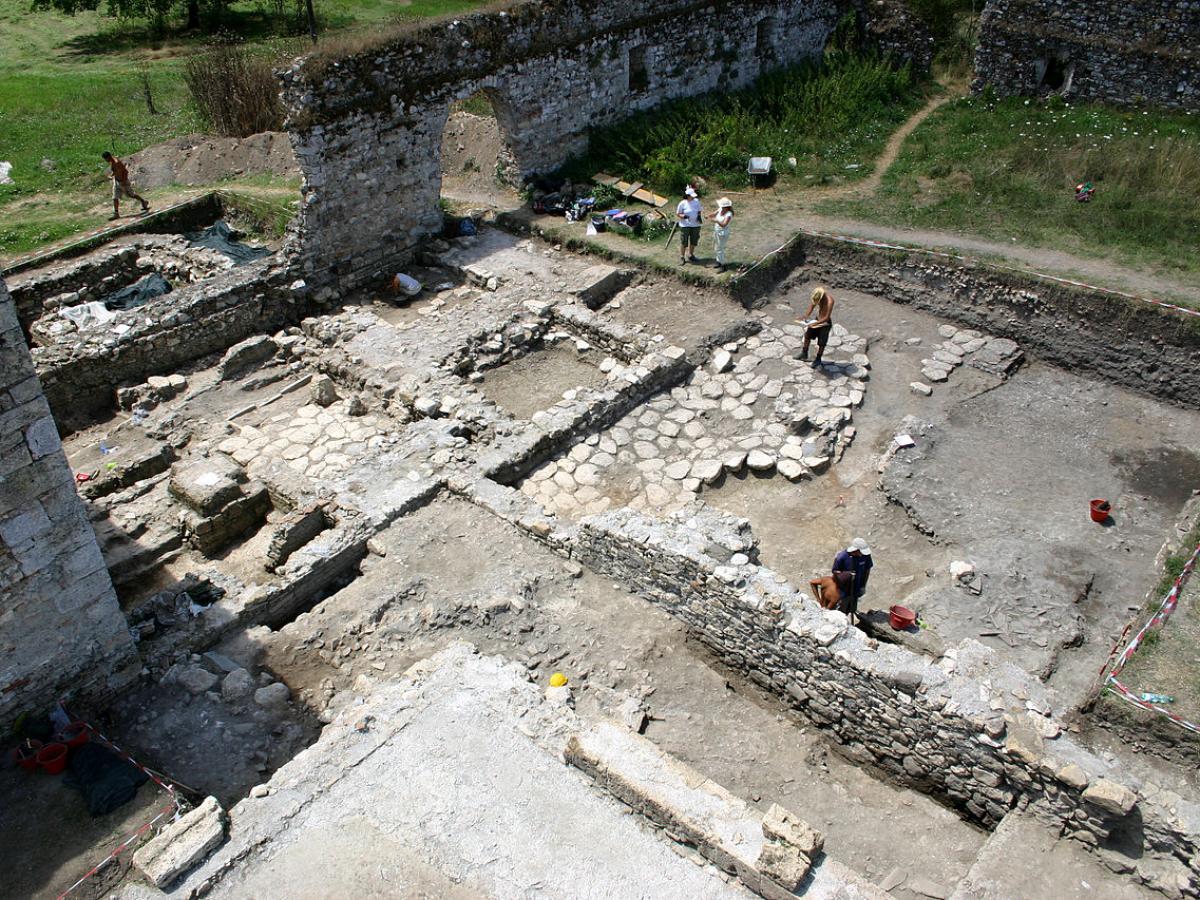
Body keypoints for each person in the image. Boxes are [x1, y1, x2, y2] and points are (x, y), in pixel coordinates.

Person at [831, 537, 873, 623]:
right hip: (844, 590)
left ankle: (851, 618)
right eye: (861, 552)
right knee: (842, 610)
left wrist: (863, 586)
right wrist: (847, 575)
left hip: (857, 587)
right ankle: (840, 622)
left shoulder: (866, 556)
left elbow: (867, 569)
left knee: (852, 608)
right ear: (855, 550)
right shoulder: (842, 557)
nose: (863, 554)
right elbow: (835, 572)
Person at [102, 151, 149, 220]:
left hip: (123, 181)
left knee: (131, 195)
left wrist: (124, 181)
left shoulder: (117, 162)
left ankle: (143, 201)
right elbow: (116, 171)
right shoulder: (112, 162)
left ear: (109, 157)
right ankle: (116, 213)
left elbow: (125, 172)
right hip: (117, 181)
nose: (106, 161)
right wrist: (112, 175)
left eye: (106, 159)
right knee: (115, 197)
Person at [798, 286, 835, 368]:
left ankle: (818, 358)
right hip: (817, 320)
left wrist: (816, 323)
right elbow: (811, 307)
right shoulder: (818, 297)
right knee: (807, 335)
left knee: (822, 343)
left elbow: (827, 317)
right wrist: (805, 316)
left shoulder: (830, 301)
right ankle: (804, 353)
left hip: (825, 323)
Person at [675, 186, 702, 264]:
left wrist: (699, 217)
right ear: (688, 196)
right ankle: (682, 257)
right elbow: (678, 213)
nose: (693, 197)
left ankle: (691, 255)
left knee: (694, 241)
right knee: (684, 242)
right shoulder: (682, 203)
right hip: (685, 225)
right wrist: (684, 216)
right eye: (692, 196)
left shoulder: (697, 201)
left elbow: (699, 210)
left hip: (695, 225)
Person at [708, 197, 734, 273]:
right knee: (716, 247)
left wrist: (716, 221)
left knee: (719, 249)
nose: (721, 207)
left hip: (723, 233)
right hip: (717, 231)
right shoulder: (720, 209)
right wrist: (709, 216)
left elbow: (724, 224)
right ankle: (718, 262)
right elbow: (714, 213)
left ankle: (723, 265)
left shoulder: (729, 214)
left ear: (726, 207)